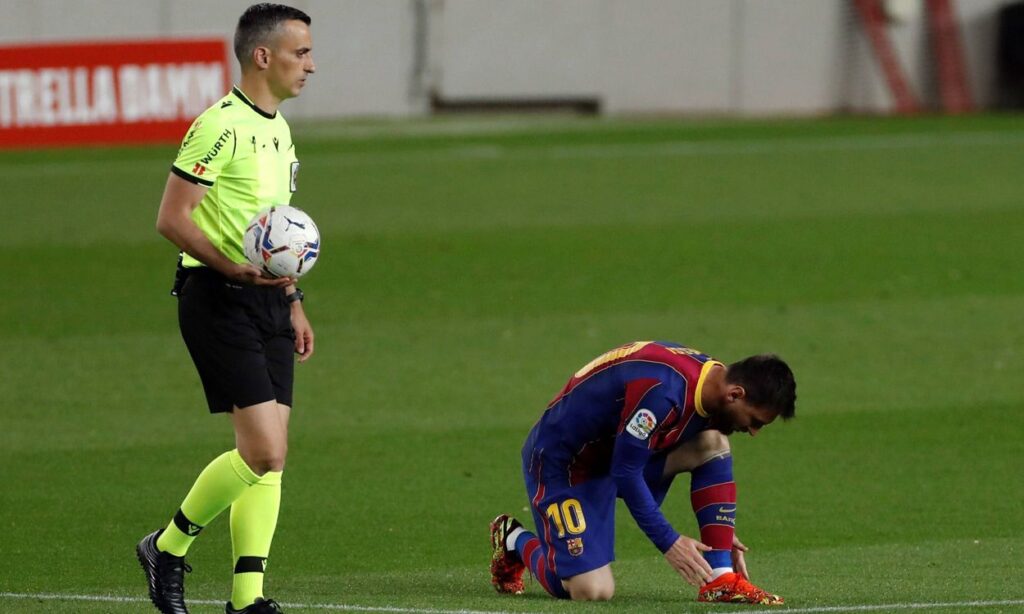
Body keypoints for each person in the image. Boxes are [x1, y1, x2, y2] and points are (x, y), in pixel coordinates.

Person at [135, 4, 316, 614]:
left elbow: (272, 232)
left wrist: (293, 300)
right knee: (263, 451)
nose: (311, 65)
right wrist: (230, 269)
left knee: (272, 459)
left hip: (266, 301)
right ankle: (167, 546)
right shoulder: (220, 126)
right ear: (262, 56)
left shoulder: (280, 127)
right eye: (301, 52)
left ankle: (247, 597)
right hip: (216, 298)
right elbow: (171, 218)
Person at [489, 341, 796, 605]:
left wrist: (720, 532)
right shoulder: (665, 393)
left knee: (712, 442)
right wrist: (670, 542)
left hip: (616, 452)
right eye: (755, 421)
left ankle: (720, 579)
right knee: (590, 590)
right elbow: (626, 472)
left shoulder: (711, 379)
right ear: (735, 394)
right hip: (564, 464)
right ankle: (514, 540)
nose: (753, 432)